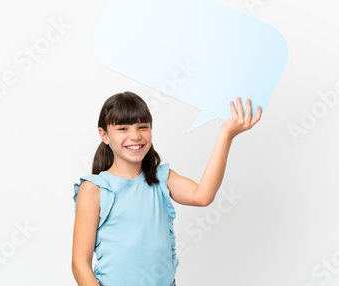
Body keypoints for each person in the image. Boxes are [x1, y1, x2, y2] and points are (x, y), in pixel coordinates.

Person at [72, 91, 262, 286]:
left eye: (143, 127)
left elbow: (202, 195)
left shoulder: (161, 178)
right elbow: (80, 263)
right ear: (104, 135)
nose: (135, 136)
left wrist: (226, 134)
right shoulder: (94, 189)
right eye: (123, 129)